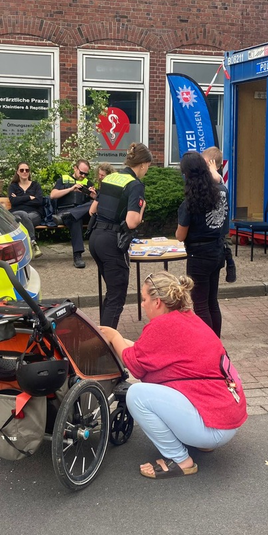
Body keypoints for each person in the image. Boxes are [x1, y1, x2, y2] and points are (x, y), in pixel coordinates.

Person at [101, 272, 247, 479]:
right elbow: (145, 353)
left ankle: (180, 460)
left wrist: (114, 336)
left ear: (158, 302)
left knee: (136, 395)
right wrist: (121, 342)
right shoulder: (187, 319)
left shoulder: (161, 326)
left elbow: (133, 365)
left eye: (144, 299)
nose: (142, 304)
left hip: (214, 427)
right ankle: (202, 442)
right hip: (226, 418)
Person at [88, 143, 150, 328]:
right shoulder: (135, 185)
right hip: (112, 242)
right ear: (143, 164)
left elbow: (93, 209)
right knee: (117, 297)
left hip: (95, 238)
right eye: (148, 166)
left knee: (111, 292)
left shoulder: (110, 178)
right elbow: (132, 222)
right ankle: (107, 348)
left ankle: (103, 335)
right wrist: (142, 209)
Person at [176, 151, 227, 337]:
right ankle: (216, 342)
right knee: (212, 301)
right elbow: (220, 182)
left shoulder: (190, 202)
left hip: (198, 256)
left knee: (200, 304)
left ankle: (208, 345)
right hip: (217, 251)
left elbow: (181, 235)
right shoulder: (222, 192)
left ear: (186, 174)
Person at [50, 159, 97, 268]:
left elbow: (96, 203)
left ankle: (71, 213)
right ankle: (77, 256)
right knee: (76, 219)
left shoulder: (88, 183)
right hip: (65, 211)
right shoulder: (63, 180)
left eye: (86, 174)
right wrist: (71, 189)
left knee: (92, 204)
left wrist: (94, 196)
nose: (83, 176)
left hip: (79, 213)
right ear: (75, 168)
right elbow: (53, 195)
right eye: (81, 173)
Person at [202, 146, 236, 283]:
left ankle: (229, 258)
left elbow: (217, 179)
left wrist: (212, 169)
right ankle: (228, 257)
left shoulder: (217, 179)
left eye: (205, 164)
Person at [7, 161, 44, 258]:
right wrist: (28, 197)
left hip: (34, 214)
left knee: (22, 218)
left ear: (29, 172)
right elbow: (13, 201)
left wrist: (19, 199)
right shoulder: (13, 186)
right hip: (17, 213)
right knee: (22, 215)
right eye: (22, 170)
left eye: (27, 170)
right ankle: (33, 243)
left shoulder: (36, 185)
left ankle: (22, 251)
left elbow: (39, 201)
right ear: (17, 172)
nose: (24, 172)